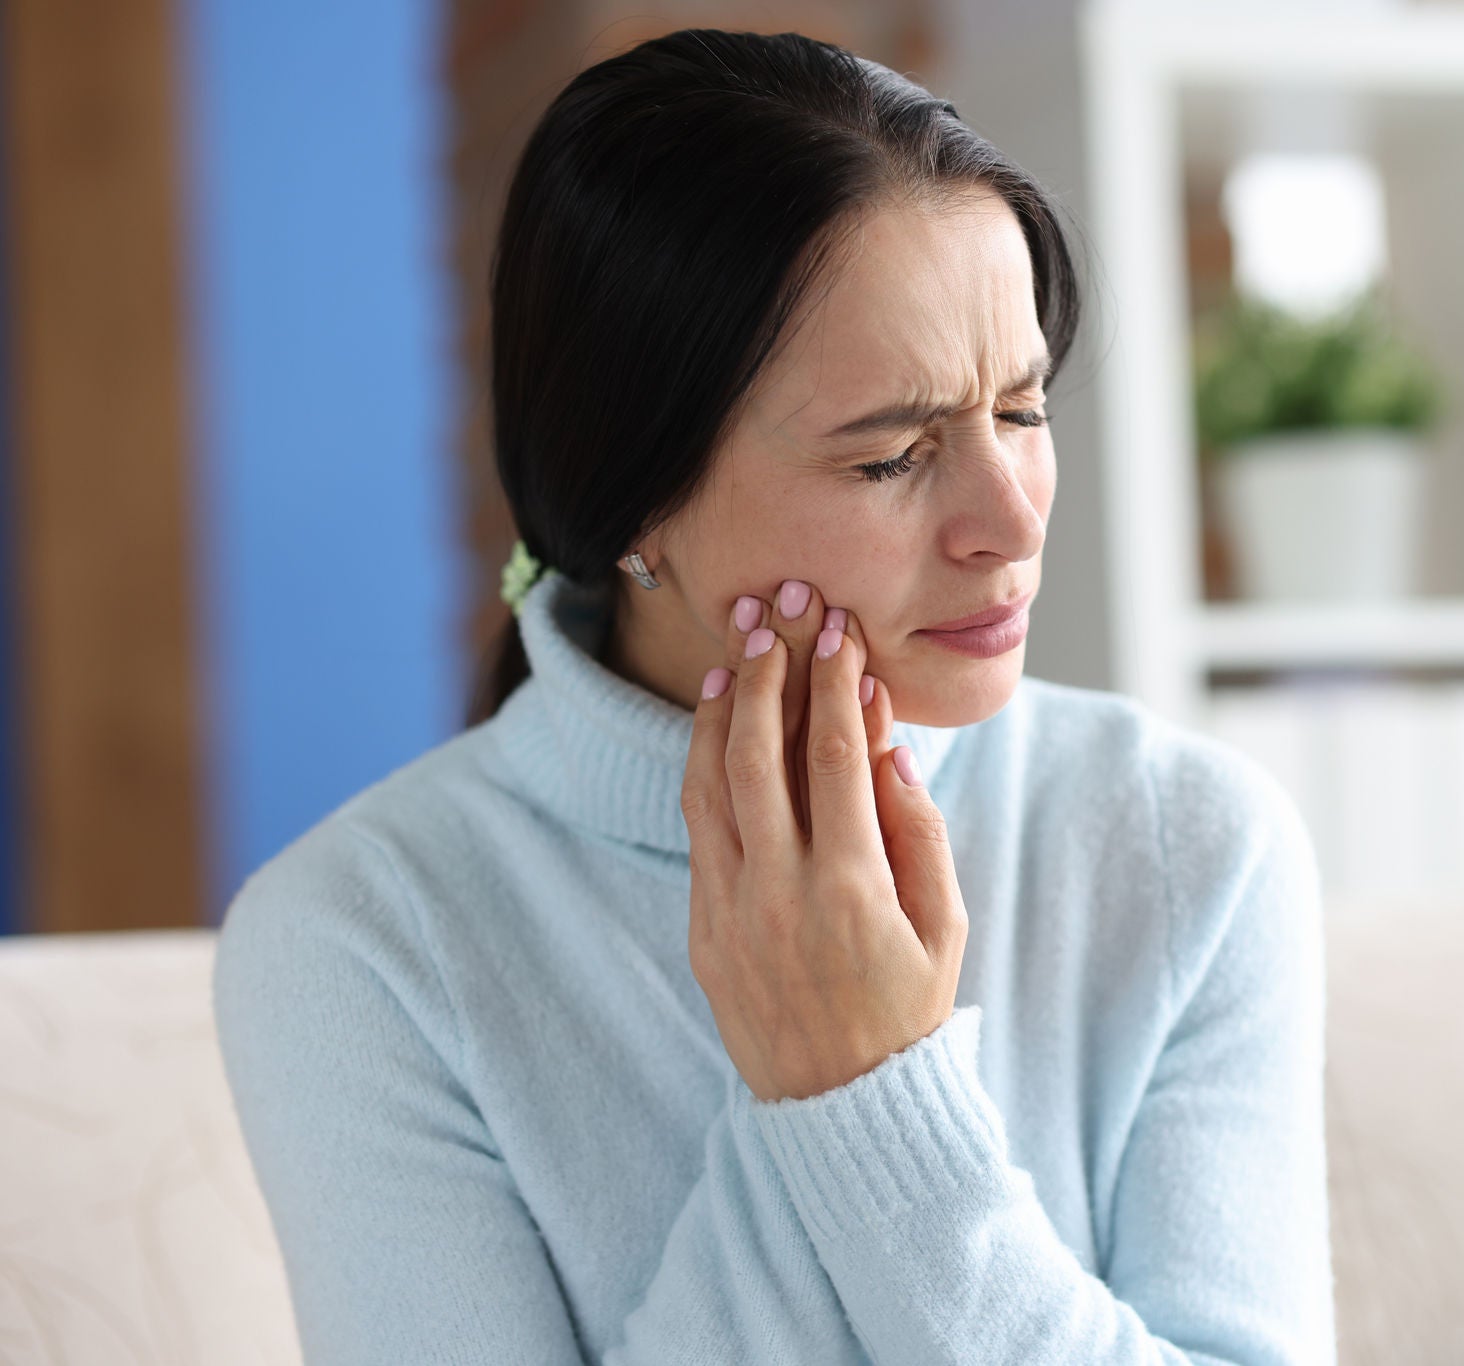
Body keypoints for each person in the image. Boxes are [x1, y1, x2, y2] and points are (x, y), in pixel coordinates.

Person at [212, 27, 1334, 1365]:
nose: (1008, 519)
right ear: (636, 507)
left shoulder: (1188, 841)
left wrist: (865, 1093)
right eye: (892, 457)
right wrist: (830, 1082)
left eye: (1022, 412)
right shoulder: (360, 944)